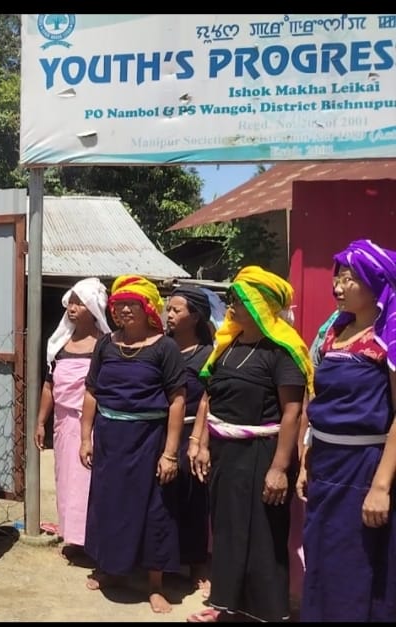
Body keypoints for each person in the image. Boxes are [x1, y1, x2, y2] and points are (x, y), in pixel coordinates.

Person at [187, 266, 311, 623]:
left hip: (262, 455)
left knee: (263, 537)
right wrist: (202, 443)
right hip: (225, 454)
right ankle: (226, 606)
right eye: (232, 299)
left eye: (240, 300)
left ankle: (268, 614)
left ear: (260, 304)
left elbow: (292, 412)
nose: (232, 306)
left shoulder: (281, 351)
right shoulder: (227, 345)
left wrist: (279, 468)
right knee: (227, 532)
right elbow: (210, 399)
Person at [297, 240, 396, 622]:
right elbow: (318, 400)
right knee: (321, 559)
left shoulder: (387, 338)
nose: (337, 286)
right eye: (337, 278)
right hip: (325, 465)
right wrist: (306, 460)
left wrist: (381, 486)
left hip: (364, 467)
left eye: (349, 279)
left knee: (355, 566)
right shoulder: (334, 333)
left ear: (375, 282)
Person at [81, 275, 186, 614]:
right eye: (119, 304)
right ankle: (109, 568)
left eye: (132, 304)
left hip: (149, 440)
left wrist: (170, 453)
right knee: (109, 503)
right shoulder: (106, 345)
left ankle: (155, 585)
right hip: (109, 439)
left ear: (148, 308)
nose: (124, 310)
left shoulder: (165, 348)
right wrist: (85, 437)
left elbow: (177, 400)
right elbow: (92, 391)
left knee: (155, 509)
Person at [35, 277, 110, 562]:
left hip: (93, 425)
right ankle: (73, 536)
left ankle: (93, 539)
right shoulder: (60, 345)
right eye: (72, 302)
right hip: (64, 424)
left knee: (90, 481)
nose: (73, 308)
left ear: (94, 308)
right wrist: (41, 421)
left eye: (81, 303)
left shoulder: (105, 345)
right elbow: (49, 385)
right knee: (67, 480)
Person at [164, 286, 216, 598]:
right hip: (162, 430)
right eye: (168, 309)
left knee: (194, 498)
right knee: (164, 498)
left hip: (193, 432)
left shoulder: (208, 354)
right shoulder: (163, 347)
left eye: (176, 310)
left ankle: (197, 564)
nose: (169, 315)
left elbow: (210, 399)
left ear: (194, 317)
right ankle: (164, 561)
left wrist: (198, 439)